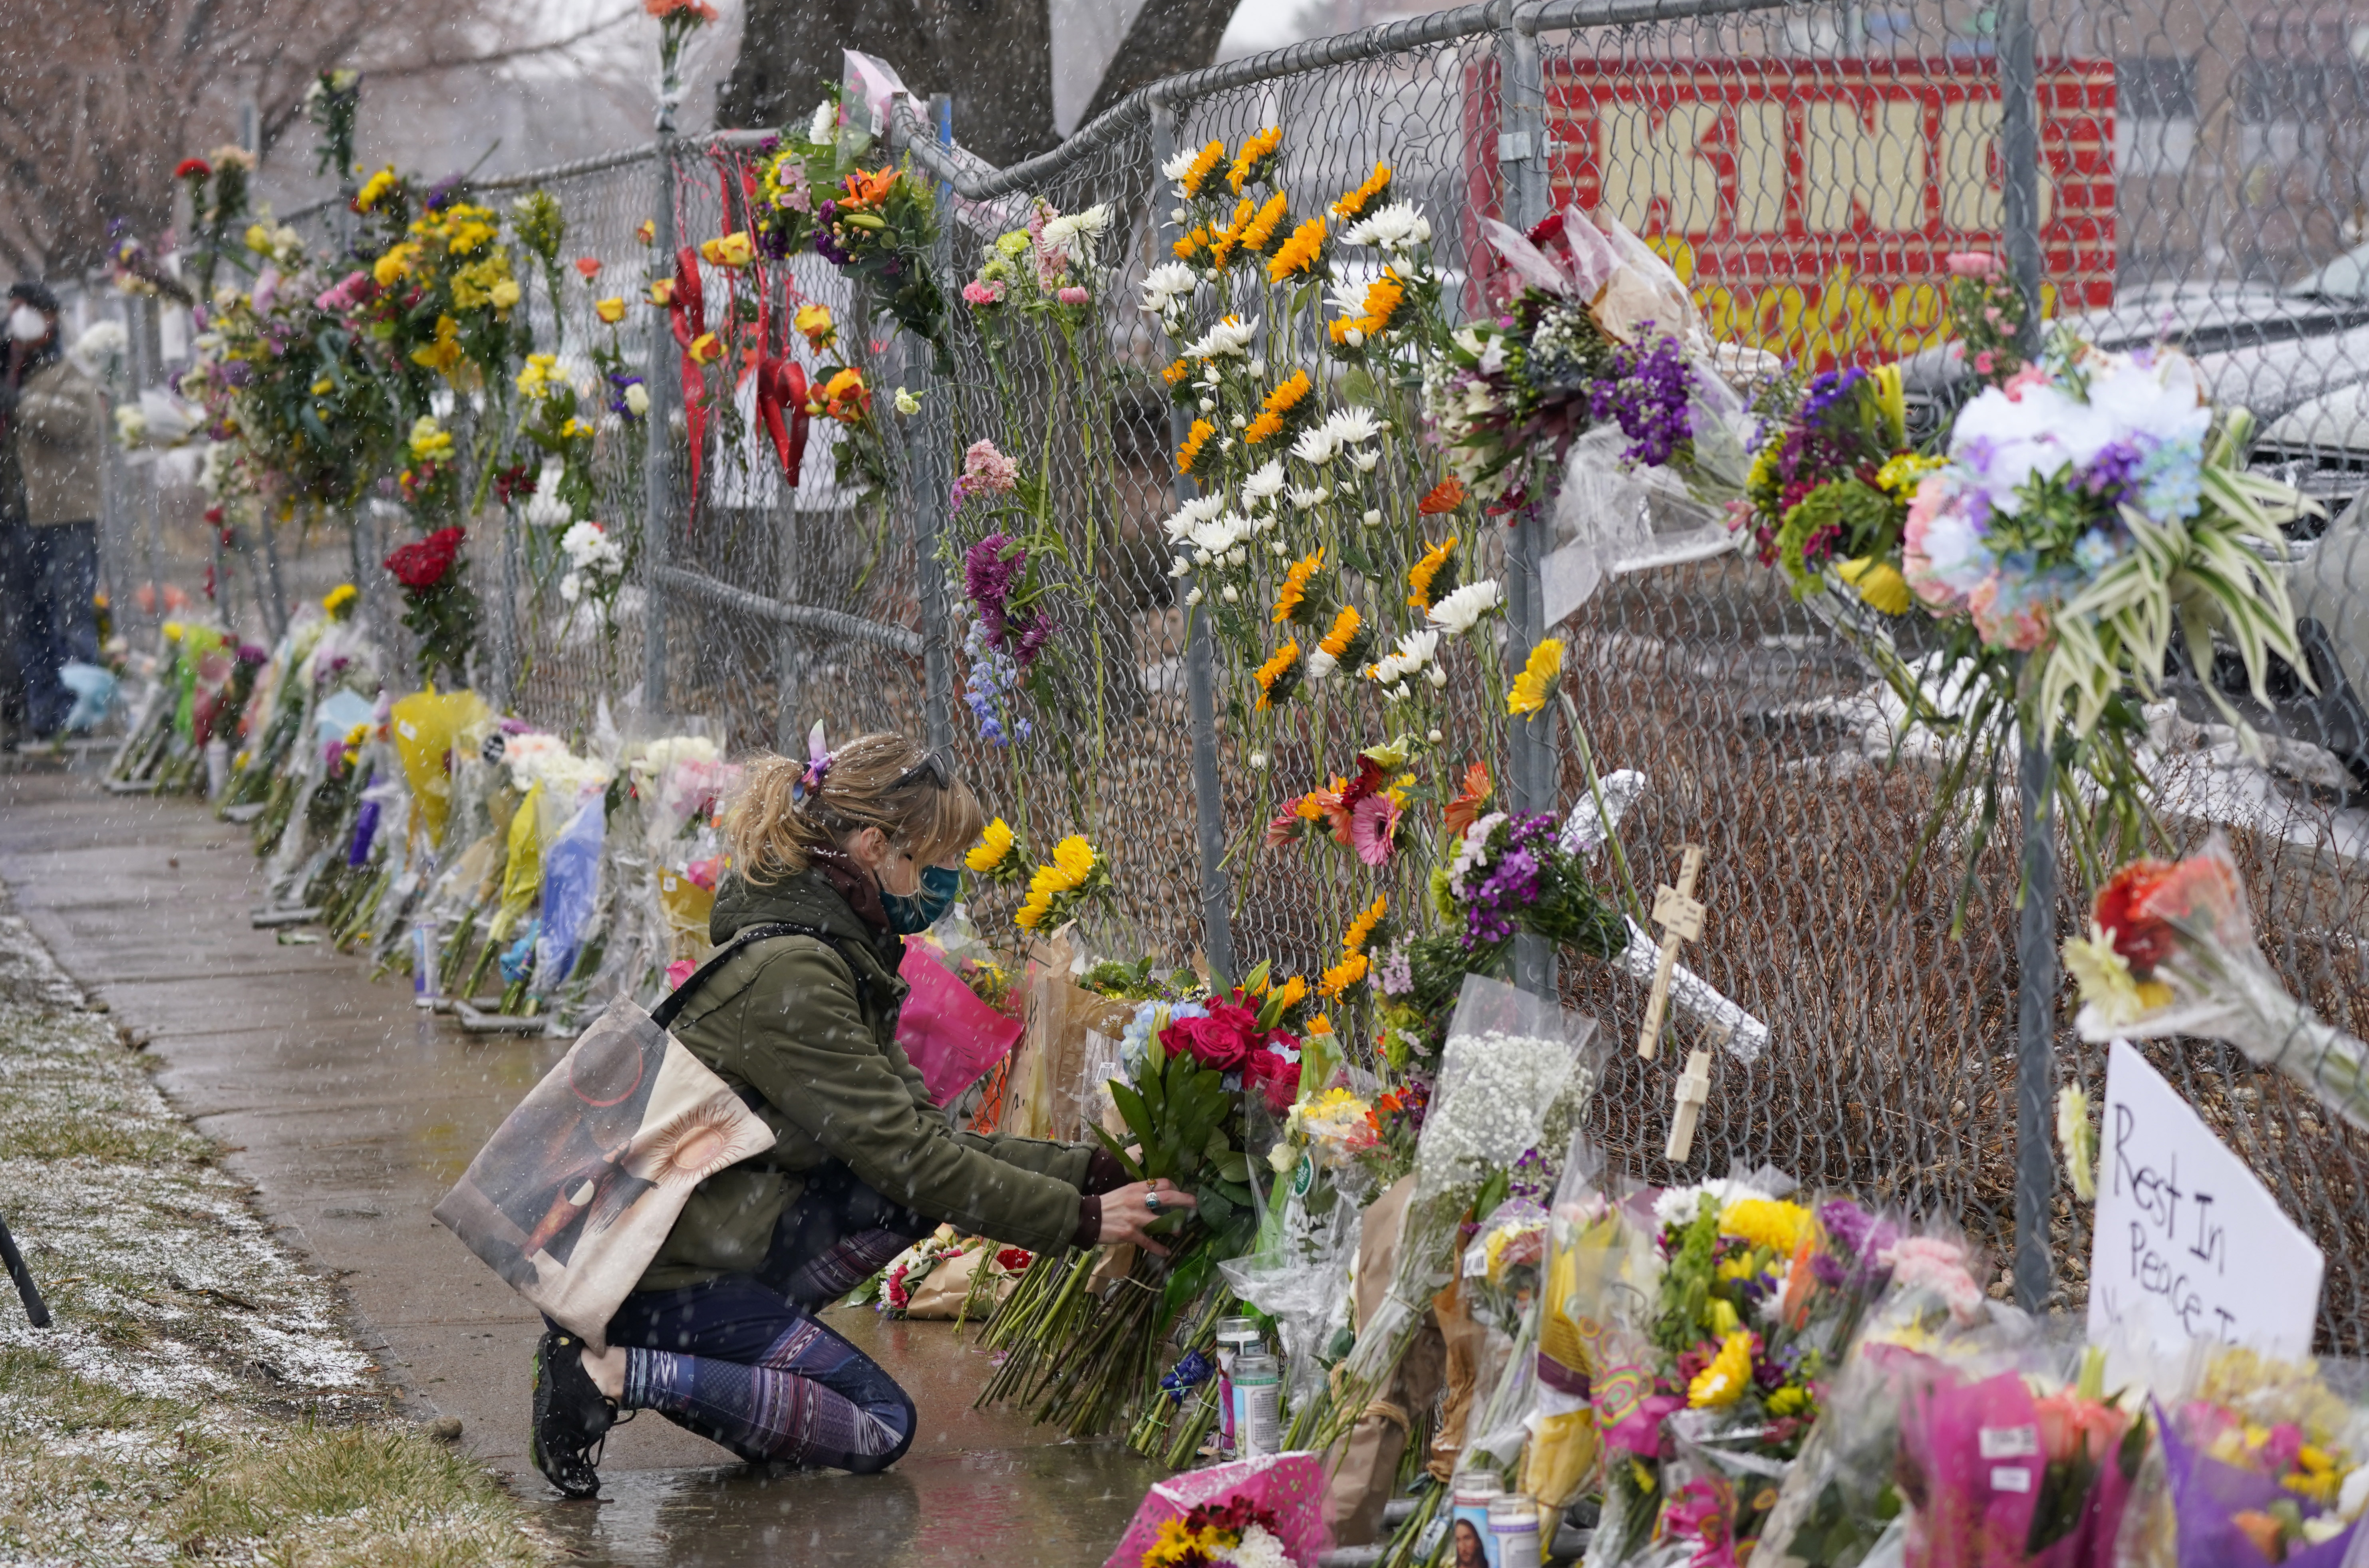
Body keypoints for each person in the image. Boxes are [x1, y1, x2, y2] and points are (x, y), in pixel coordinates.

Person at [528, 732, 1191, 1496]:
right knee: (879, 1423)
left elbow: (926, 1139)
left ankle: (741, 1371)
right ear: (875, 846)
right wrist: (1078, 1220)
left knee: (901, 1199)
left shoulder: (830, 948)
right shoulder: (794, 974)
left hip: (710, 1241)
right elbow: (911, 1158)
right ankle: (609, 1371)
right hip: (663, 1275)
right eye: (934, 860)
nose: (946, 883)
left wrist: (1099, 1172)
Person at [0, 282, 105, 740]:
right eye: (12, 309)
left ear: (50, 318)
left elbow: (76, 419)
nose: (16, 318)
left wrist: (22, 403)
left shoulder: (69, 367)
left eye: (26, 310)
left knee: (72, 617)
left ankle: (83, 716)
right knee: (28, 620)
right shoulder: (10, 369)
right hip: (16, 516)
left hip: (64, 515)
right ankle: (44, 717)